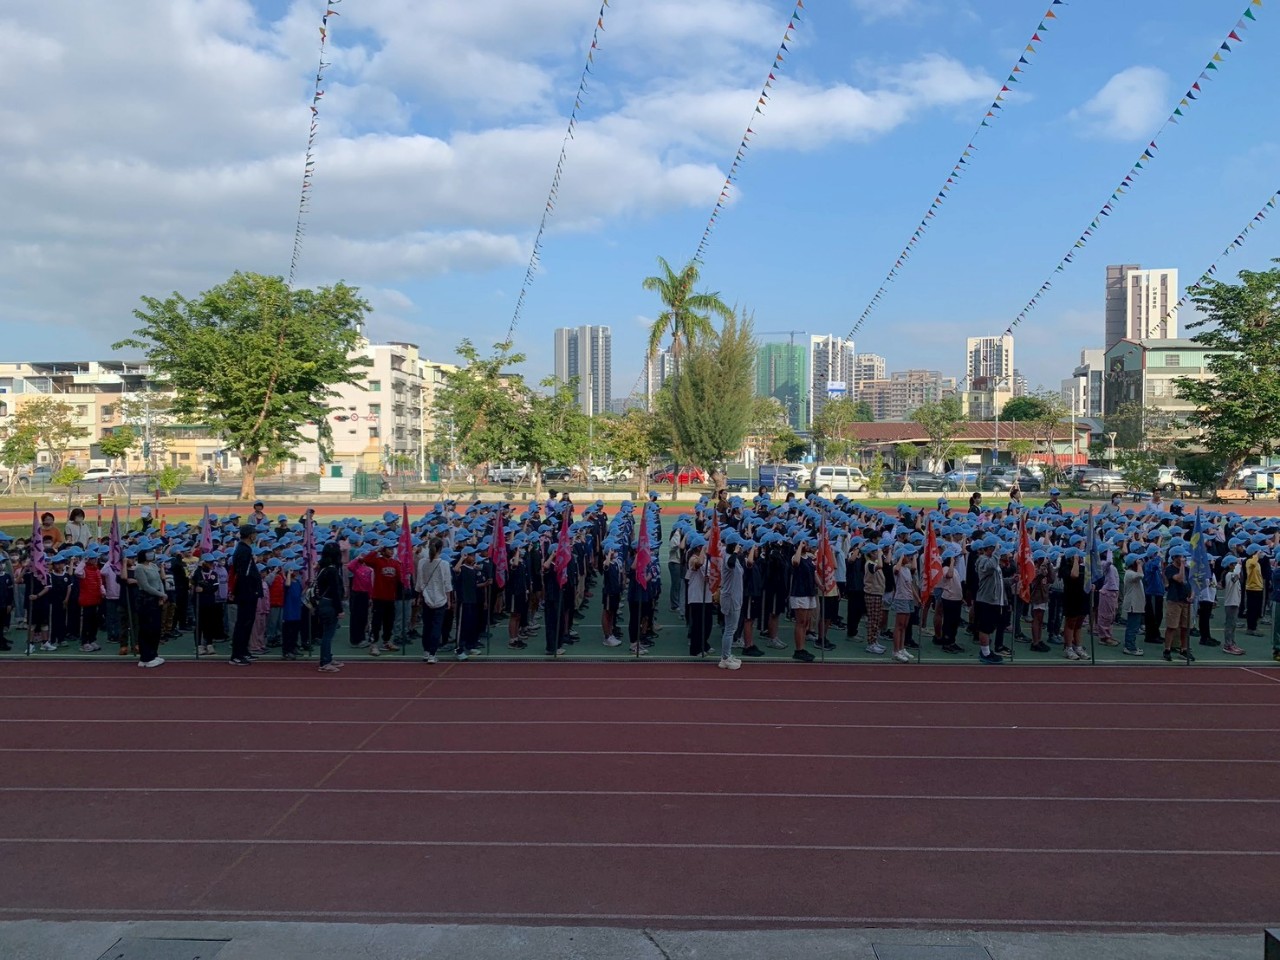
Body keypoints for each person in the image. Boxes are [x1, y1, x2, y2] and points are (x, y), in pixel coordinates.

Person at [229, 524, 261, 665]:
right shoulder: (244, 551)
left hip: (247, 592)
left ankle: (243, 651)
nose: (256, 535)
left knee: (247, 622)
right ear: (249, 535)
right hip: (246, 592)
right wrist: (251, 590)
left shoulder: (244, 549)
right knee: (243, 623)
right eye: (254, 533)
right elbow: (244, 574)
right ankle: (237, 654)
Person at [417, 539, 453, 663]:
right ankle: (432, 653)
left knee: (427, 625)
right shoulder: (444, 564)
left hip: (426, 597)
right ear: (441, 549)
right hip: (440, 598)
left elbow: (420, 581)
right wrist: (449, 600)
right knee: (437, 626)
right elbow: (447, 584)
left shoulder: (422, 562)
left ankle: (426, 651)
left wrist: (420, 596)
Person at [130, 547, 167, 668]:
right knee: (147, 628)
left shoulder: (154, 566)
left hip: (157, 599)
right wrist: (160, 594)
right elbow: (145, 586)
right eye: (148, 553)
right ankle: (145, 657)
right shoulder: (139, 568)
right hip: (145, 600)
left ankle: (153, 653)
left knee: (156, 628)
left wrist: (162, 594)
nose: (151, 554)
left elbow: (160, 581)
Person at [313, 542, 345, 672]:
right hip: (329, 603)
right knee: (328, 634)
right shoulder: (331, 570)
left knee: (328, 632)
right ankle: (325, 661)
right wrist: (340, 609)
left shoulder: (323, 568)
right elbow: (335, 591)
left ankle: (328, 657)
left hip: (324, 602)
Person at [1163, 549, 1195, 662]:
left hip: (1186, 601)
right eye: (1181, 557)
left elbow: (1192, 583)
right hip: (1174, 600)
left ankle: (1184, 649)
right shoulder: (1170, 569)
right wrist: (1182, 565)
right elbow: (1180, 579)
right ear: (1175, 557)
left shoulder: (1187, 569)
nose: (1183, 559)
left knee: (1186, 627)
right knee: (1172, 626)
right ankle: (1167, 649)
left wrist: (1192, 595)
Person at [717, 537, 744, 670]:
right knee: (729, 629)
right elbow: (731, 563)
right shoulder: (729, 557)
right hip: (730, 598)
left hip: (735, 597)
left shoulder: (733, 557)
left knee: (731, 628)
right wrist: (735, 552)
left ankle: (727, 654)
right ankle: (725, 658)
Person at [788, 539, 817, 662]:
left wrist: (821, 585)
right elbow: (795, 562)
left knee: (806, 622)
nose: (808, 546)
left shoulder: (809, 558)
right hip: (800, 593)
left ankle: (802, 647)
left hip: (809, 592)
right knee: (800, 622)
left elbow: (814, 574)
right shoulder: (795, 557)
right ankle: (798, 649)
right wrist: (800, 546)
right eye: (805, 543)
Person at [1121, 553, 1146, 656]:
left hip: (1136, 604)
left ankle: (1131, 645)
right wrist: (1139, 564)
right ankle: (1129, 647)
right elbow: (1141, 575)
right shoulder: (1130, 573)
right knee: (1132, 627)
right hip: (1133, 604)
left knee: (1134, 626)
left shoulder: (1132, 573)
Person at [1221, 556, 1243, 656]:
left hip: (1234, 602)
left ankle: (1232, 643)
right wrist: (1239, 566)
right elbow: (1236, 577)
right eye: (1234, 564)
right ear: (1229, 565)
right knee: (1230, 625)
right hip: (1231, 603)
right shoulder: (1229, 575)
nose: (1235, 566)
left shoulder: (1230, 574)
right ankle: (1228, 645)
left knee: (1233, 625)